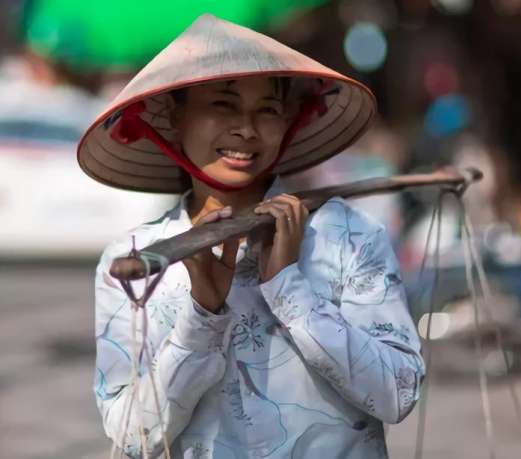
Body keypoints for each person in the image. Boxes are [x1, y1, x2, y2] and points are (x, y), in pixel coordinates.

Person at [80, 14, 424, 458]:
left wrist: (288, 286)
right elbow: (132, 436)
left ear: (289, 121)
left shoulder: (349, 237)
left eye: (267, 109)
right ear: (172, 116)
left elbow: (398, 394)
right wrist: (202, 313)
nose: (246, 128)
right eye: (223, 105)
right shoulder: (134, 261)